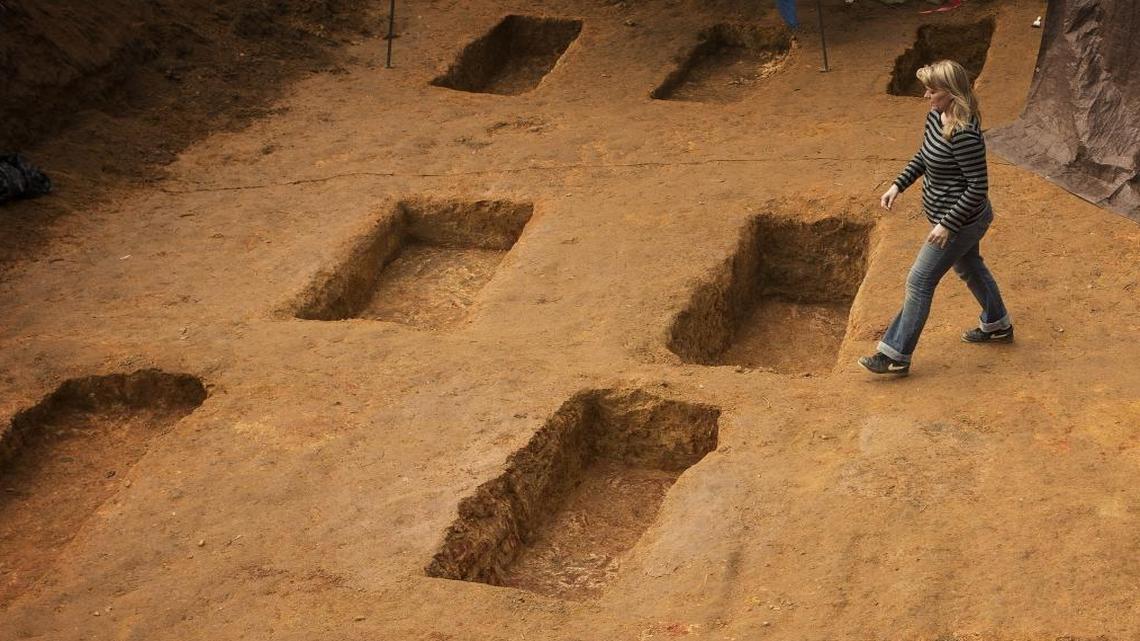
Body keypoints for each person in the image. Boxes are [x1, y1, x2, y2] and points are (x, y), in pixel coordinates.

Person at [859, 59, 1012, 376]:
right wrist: (897, 184)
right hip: (949, 221)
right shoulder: (936, 116)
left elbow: (977, 187)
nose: (926, 96)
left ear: (952, 93)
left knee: (919, 280)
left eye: (932, 91)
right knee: (970, 267)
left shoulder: (964, 134)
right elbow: (923, 155)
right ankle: (998, 324)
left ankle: (895, 354)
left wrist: (947, 223)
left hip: (962, 222)